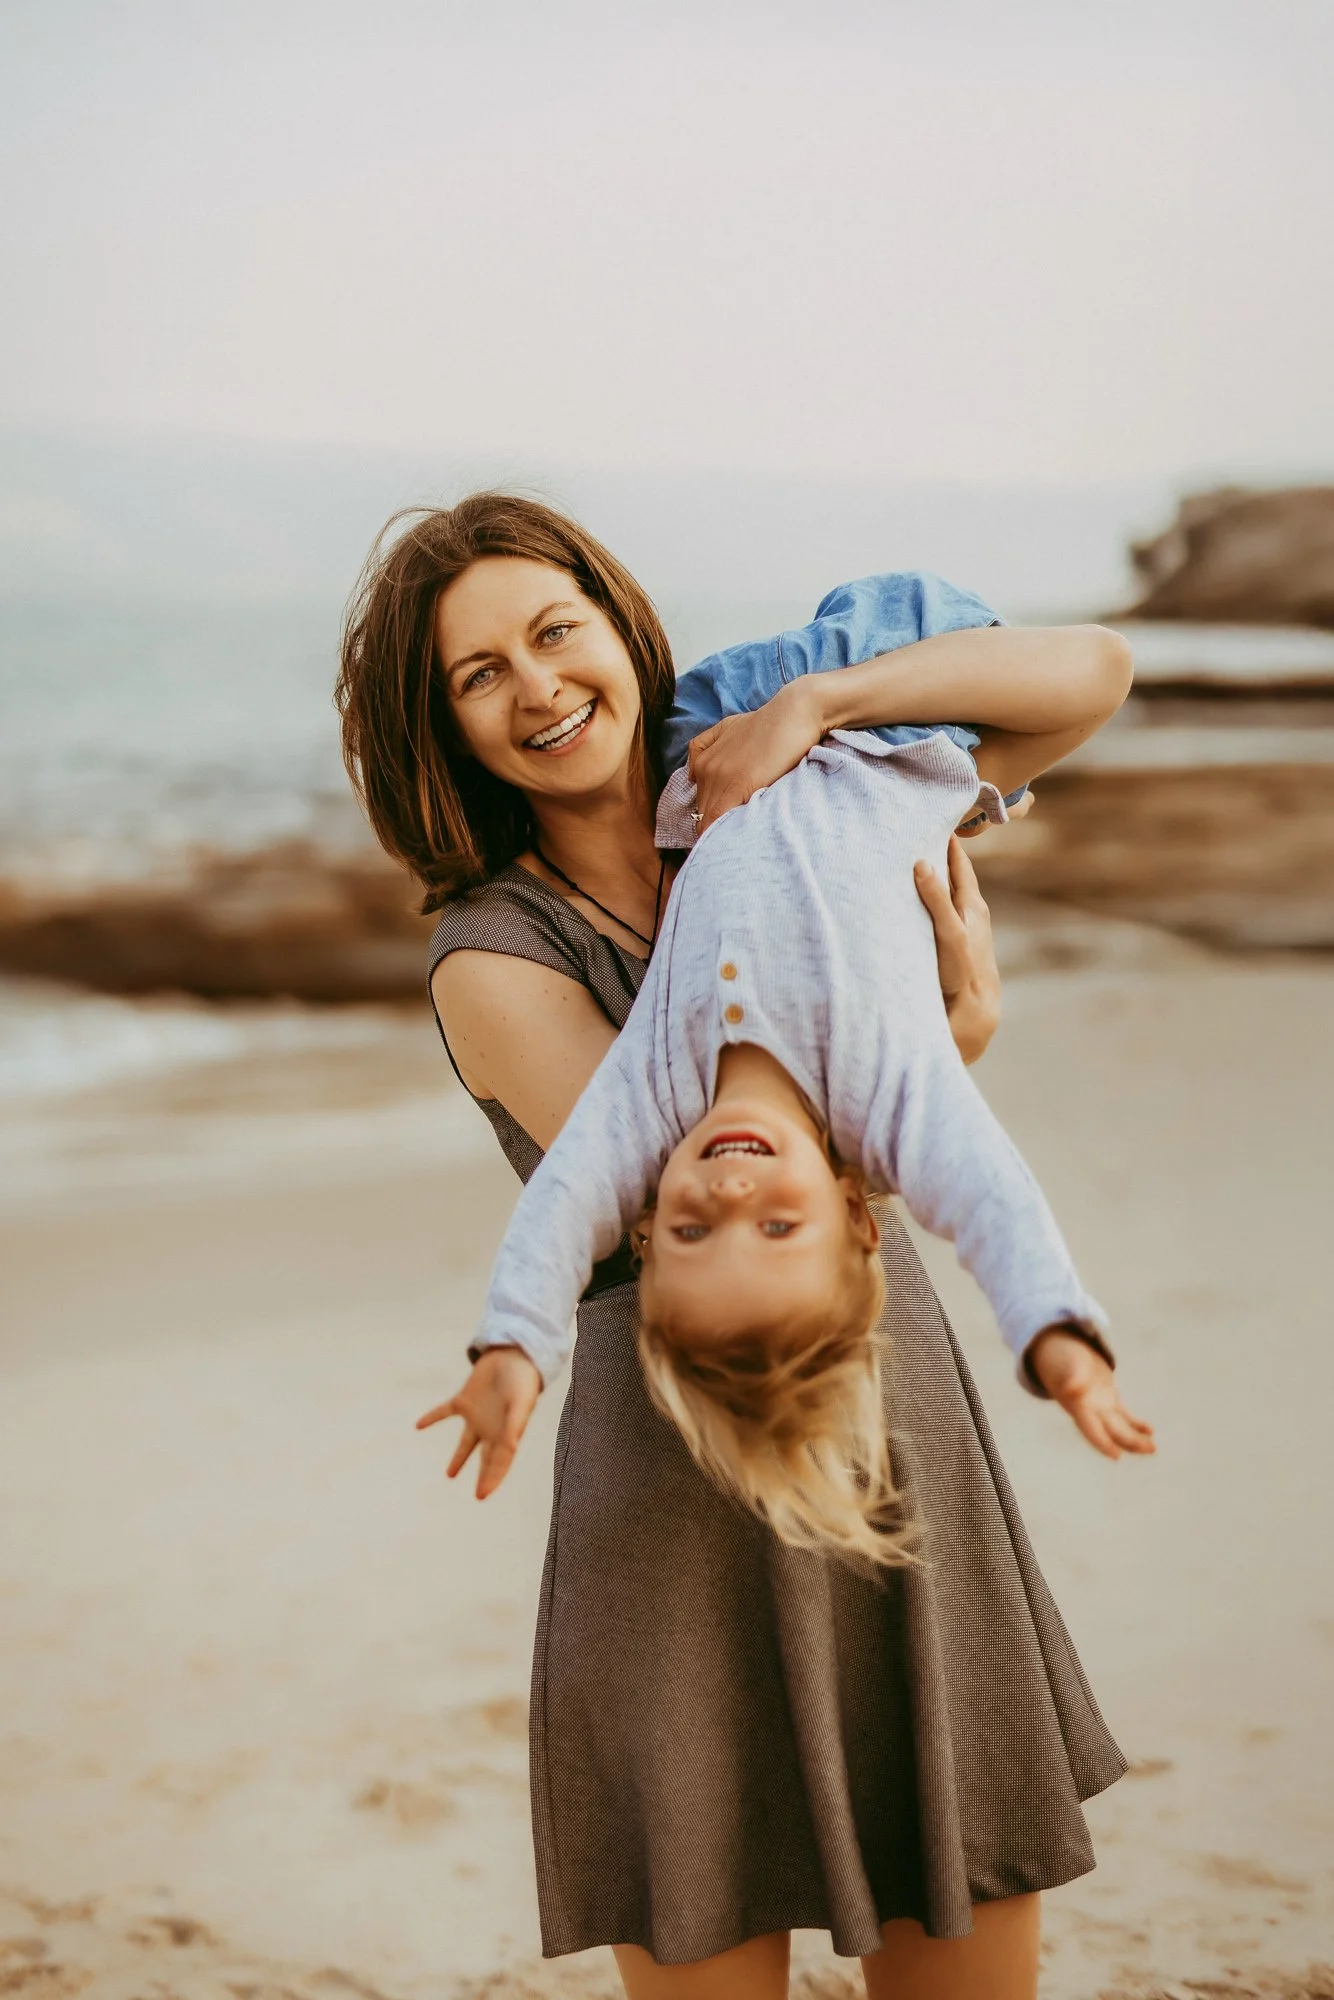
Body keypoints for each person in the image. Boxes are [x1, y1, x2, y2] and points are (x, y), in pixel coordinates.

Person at [337, 493, 1143, 2000]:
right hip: (672, 1465)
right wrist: (948, 1048)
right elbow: (687, 1189)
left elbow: (1084, 676)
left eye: (553, 631)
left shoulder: (774, 768)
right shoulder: (493, 955)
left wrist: (822, 699)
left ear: (618, 628)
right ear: (442, 730)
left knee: (958, 1896)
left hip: (886, 1400)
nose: (536, 686)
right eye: (477, 675)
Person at [454, 575, 1152, 1565]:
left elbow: (564, 1202)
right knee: (893, 622)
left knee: (692, 720)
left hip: (711, 742)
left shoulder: (654, 1094)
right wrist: (1057, 1339)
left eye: (689, 1226)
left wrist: (514, 1343)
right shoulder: (895, 1089)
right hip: (896, 728)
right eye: (776, 1225)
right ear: (857, 1211)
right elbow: (993, 1201)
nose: (727, 1188)